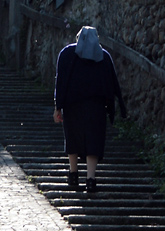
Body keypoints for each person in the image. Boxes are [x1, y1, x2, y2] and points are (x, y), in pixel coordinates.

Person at [53, 26, 126, 192]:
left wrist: (58, 106)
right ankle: (91, 180)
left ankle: (73, 175)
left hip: (72, 106)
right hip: (96, 108)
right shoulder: (104, 57)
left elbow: (61, 82)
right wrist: (112, 108)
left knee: (73, 138)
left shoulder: (67, 54)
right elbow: (111, 84)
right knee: (94, 141)